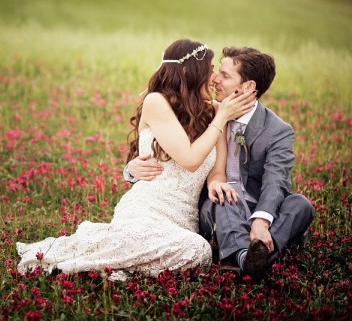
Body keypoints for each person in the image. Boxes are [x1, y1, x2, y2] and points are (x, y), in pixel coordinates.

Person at [16, 39, 256, 281]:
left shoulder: (214, 113)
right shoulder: (157, 102)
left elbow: (217, 171)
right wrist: (221, 117)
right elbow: (190, 159)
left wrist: (216, 181)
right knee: (199, 249)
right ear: (189, 71)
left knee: (196, 251)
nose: (213, 78)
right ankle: (91, 259)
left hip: (183, 220)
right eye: (210, 69)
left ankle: (115, 264)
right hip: (146, 209)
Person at [125, 47, 315, 281]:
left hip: (255, 207)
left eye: (224, 76)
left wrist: (261, 220)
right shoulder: (206, 112)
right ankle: (247, 257)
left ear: (247, 87)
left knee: (302, 205)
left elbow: (277, 180)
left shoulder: (278, 130)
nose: (215, 78)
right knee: (225, 195)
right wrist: (131, 169)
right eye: (218, 72)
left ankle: (254, 252)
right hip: (217, 207)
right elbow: (167, 150)